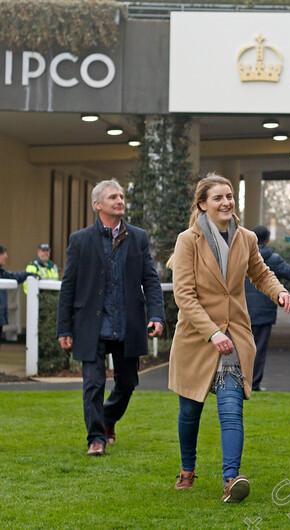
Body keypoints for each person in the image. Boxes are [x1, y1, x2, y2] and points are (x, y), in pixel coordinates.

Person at [168, 174, 290, 503]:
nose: (226, 202)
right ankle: (187, 470)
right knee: (189, 411)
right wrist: (211, 332)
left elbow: (261, 272)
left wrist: (280, 294)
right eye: (218, 198)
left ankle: (231, 479)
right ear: (202, 204)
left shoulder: (246, 238)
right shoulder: (188, 240)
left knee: (231, 407)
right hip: (197, 337)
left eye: (229, 196)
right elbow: (184, 296)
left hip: (234, 336)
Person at [56, 180, 165, 457]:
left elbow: (150, 280)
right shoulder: (80, 240)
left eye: (121, 196)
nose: (119, 200)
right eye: (113, 197)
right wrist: (63, 328)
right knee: (93, 383)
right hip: (90, 325)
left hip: (127, 324)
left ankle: (107, 419)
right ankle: (96, 438)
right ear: (98, 205)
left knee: (128, 383)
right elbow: (68, 285)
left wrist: (156, 314)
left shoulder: (138, 237)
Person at [246, 225, 290, 391]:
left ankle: (238, 382)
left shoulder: (240, 253)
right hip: (263, 312)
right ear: (268, 240)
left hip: (241, 310)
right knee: (259, 349)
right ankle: (254, 384)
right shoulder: (272, 258)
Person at [1, 245, 33, 351]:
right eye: (3, 254)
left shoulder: (2, 272)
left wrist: (28, 274)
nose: (6, 256)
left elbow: (14, 278)